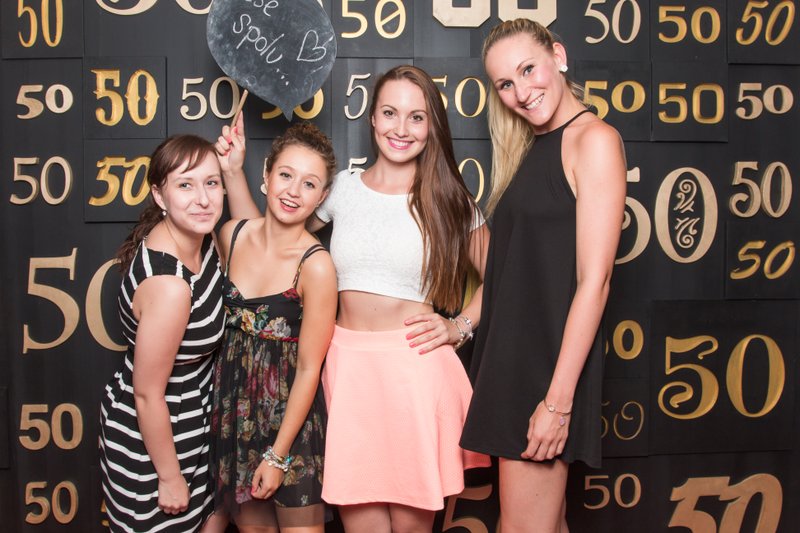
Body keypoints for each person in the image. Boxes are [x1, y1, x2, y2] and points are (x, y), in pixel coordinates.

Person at [222, 65, 491, 532]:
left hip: (414, 375)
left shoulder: (448, 197)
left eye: (416, 117)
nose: (401, 128)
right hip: (347, 376)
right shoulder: (343, 188)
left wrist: (459, 325)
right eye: (389, 113)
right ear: (372, 118)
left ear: (432, 126)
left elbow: (503, 276)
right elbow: (267, 242)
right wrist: (232, 174)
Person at [460, 18, 627, 532]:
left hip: (545, 371)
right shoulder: (533, 146)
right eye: (505, 83)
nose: (521, 91)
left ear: (558, 55)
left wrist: (556, 403)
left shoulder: (594, 140)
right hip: (513, 362)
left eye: (528, 69)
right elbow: (513, 271)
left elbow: (595, 281)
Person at [204, 122, 338, 533]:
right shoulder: (231, 235)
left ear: (322, 196)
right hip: (237, 413)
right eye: (286, 175)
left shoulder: (316, 265)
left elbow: (310, 369)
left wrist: (278, 456)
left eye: (309, 183)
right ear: (266, 174)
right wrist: (231, 170)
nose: (293, 191)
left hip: (290, 424)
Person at [99, 135, 226, 532]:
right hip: (155, 441)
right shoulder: (170, 286)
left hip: (194, 423)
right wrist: (169, 477)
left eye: (212, 182)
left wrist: (235, 169)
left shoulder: (203, 240)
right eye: (185, 185)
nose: (203, 199)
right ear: (159, 195)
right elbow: (147, 394)